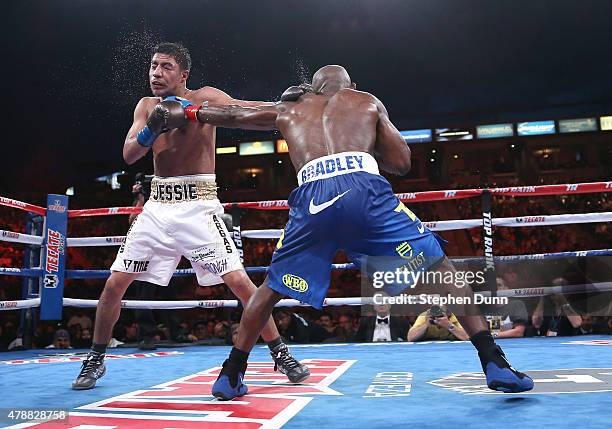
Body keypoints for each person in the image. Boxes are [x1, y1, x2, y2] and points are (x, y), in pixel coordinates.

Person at [187, 65, 533, 399]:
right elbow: (401, 162)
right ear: (349, 86)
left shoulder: (289, 107)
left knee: (270, 289)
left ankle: (230, 374)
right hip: (364, 191)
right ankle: (494, 362)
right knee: (442, 272)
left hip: (312, 198)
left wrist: (188, 113)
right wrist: (362, 139)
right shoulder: (365, 100)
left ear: (313, 87)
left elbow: (233, 114)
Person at [71, 42, 308, 390]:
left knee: (242, 285)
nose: (156, 72)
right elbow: (129, 154)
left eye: (166, 66)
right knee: (113, 285)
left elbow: (249, 111)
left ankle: (280, 353)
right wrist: (153, 127)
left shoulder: (206, 97)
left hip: (199, 205)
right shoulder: (147, 106)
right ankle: (95, 359)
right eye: (153, 66)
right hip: (157, 207)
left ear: (183, 74)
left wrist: (291, 106)